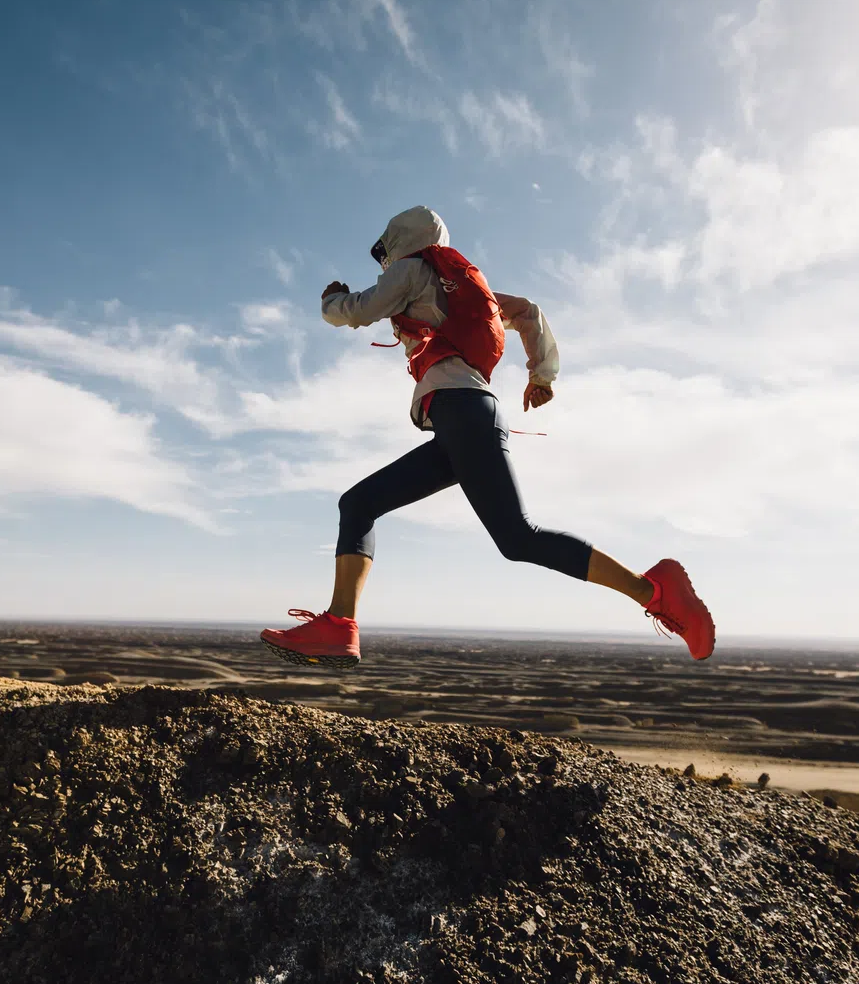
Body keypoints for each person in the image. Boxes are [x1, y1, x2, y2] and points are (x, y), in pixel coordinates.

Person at [261, 205, 715, 668]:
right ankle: (340, 628)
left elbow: (357, 312)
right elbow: (528, 312)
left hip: (463, 415)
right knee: (358, 504)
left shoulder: (410, 270)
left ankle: (654, 590)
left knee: (518, 538)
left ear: (399, 242)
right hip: (462, 420)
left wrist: (330, 301)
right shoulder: (461, 289)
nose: (384, 263)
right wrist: (542, 374)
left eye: (385, 251)